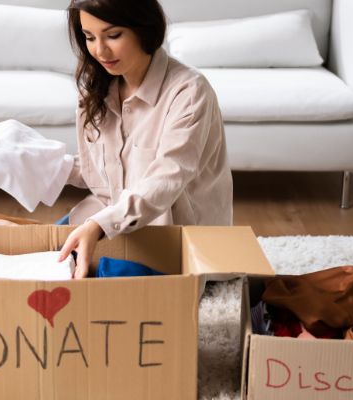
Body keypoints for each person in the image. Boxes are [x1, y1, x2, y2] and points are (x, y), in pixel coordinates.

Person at [58, 0, 233, 278]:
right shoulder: (96, 89)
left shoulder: (189, 92)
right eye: (89, 37)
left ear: (144, 29)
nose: (100, 50)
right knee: (51, 253)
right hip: (118, 218)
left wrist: (98, 226)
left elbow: (166, 179)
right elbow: (104, 173)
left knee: (99, 275)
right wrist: (46, 166)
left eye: (113, 35)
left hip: (174, 236)